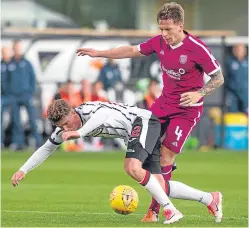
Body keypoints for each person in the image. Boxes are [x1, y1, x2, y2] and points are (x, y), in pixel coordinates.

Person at [76, 2, 224, 222]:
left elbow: (218, 77)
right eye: (161, 29)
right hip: (162, 106)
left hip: (186, 112)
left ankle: (155, 210)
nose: (164, 34)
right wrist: (100, 53)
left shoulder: (197, 48)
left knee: (165, 156)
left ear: (181, 25)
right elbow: (130, 50)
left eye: (169, 30)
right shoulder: (159, 42)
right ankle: (208, 199)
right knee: (146, 159)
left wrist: (199, 93)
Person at [12, 99, 223, 224]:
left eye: (67, 123)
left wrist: (80, 132)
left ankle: (170, 210)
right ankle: (209, 198)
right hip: (135, 133)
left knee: (131, 167)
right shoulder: (66, 128)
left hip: (144, 121)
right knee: (159, 186)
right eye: (63, 127)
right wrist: (23, 170)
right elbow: (47, 147)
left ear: (73, 112)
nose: (66, 128)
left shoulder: (89, 111)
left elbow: (102, 116)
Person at [8, 40, 42, 149]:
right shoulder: (10, 63)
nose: (18, 50)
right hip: (13, 96)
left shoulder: (26, 63)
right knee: (16, 121)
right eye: (16, 48)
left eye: (19, 48)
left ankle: (38, 142)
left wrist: (30, 92)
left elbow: (32, 78)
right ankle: (19, 144)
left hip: (26, 95)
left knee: (32, 119)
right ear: (13, 49)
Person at [225, 43, 248, 113]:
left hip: (245, 93)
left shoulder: (247, 62)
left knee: (246, 112)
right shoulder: (229, 62)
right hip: (232, 93)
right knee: (232, 112)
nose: (239, 52)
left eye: (241, 50)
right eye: (237, 50)